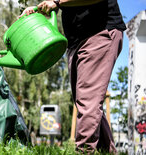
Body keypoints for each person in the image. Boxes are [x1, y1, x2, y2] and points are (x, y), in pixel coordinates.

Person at [20, 0, 126, 153]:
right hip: (76, 40)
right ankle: (107, 151)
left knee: (87, 102)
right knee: (85, 102)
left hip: (99, 32)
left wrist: (57, 2)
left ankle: (83, 151)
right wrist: (41, 9)